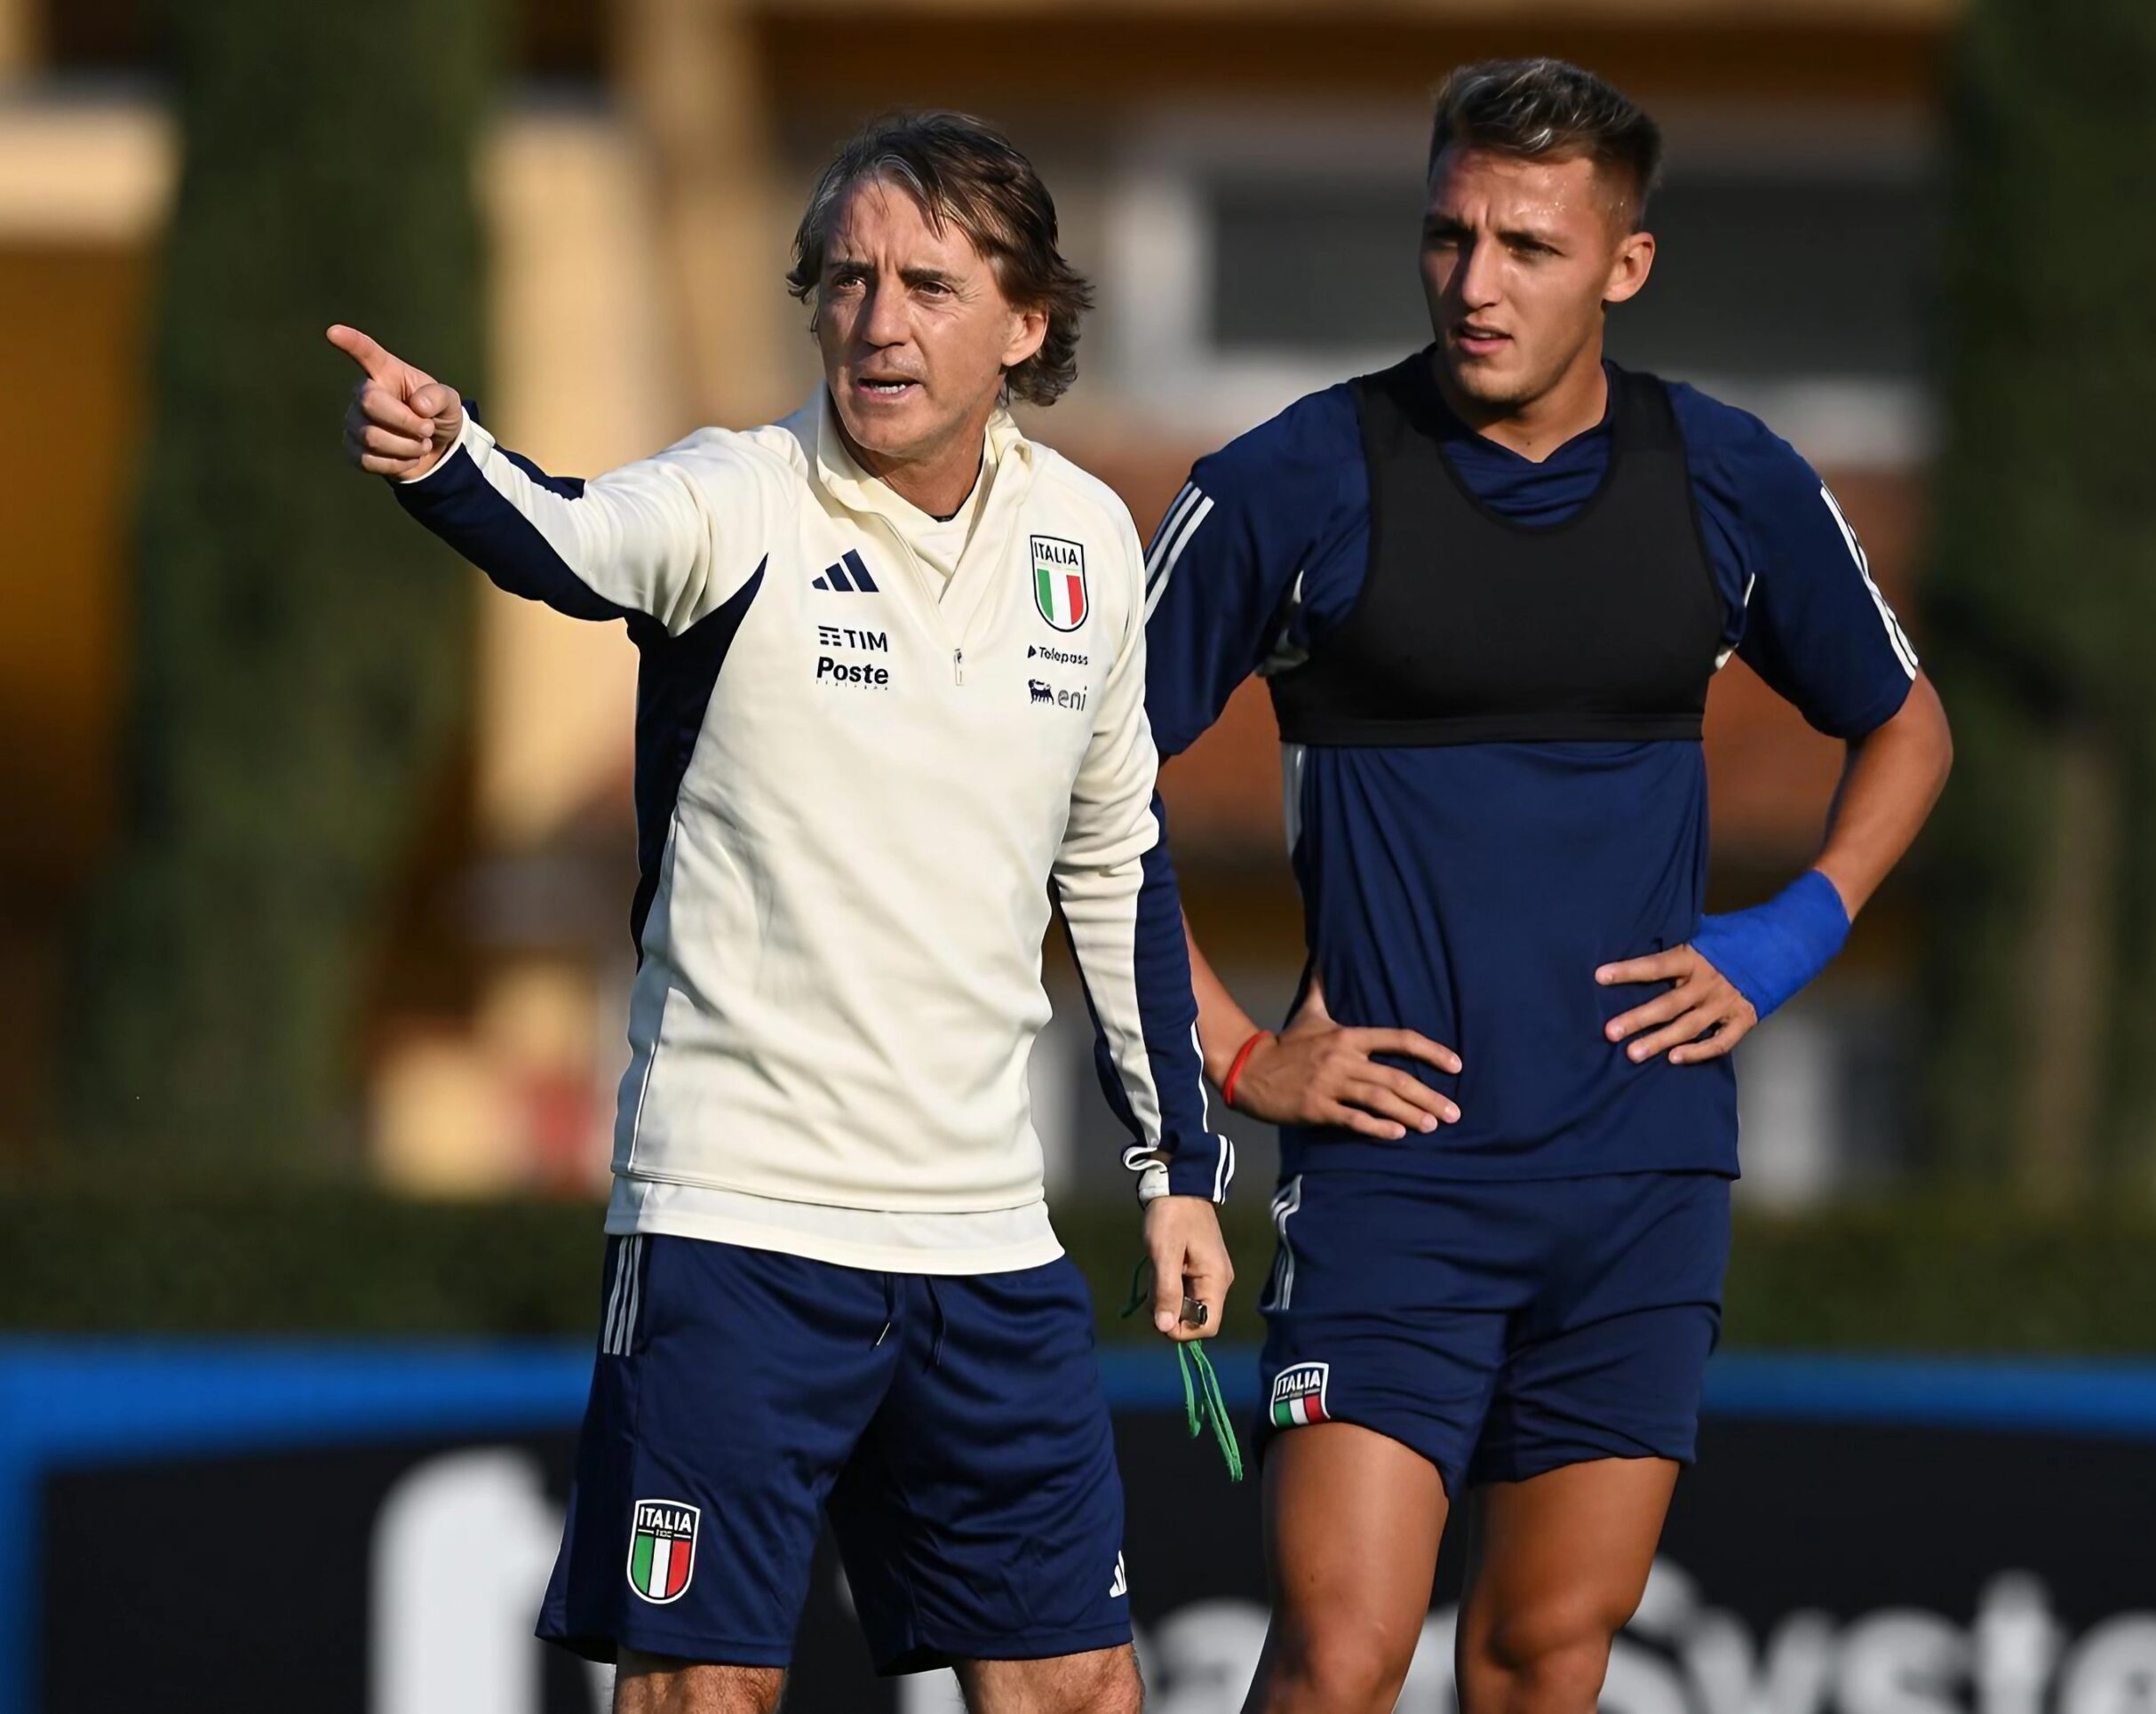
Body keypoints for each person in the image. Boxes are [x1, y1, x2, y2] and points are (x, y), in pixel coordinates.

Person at [332, 110, 1233, 1714]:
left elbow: (1120, 866)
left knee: (1083, 1686)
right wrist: (452, 458)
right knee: (700, 1694)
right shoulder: (739, 496)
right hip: (737, 1228)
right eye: (848, 278)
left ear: (1028, 324)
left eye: (931, 284)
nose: (880, 320)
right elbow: (576, 536)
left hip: (983, 1238)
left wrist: (1177, 1174)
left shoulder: (1089, 540)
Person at [1140, 60, 1953, 1714]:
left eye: (1528, 244)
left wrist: (1792, 936)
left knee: (1542, 1655)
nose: (1477, 282)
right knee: (1341, 1654)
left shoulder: (1730, 480)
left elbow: (1910, 730)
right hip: (1391, 1184)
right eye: (1450, 236)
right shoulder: (1294, 480)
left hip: (1640, 1176)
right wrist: (1229, 1051)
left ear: (1625, 266)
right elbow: (1069, 786)